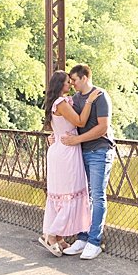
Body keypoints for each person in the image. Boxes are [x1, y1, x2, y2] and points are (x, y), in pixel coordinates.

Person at [58, 63, 115, 260]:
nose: (71, 83)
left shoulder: (100, 96)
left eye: (74, 80)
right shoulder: (75, 99)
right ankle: (82, 238)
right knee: (84, 196)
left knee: (97, 196)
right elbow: (69, 121)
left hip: (99, 150)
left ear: (84, 78)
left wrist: (77, 140)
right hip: (81, 152)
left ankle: (94, 241)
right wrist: (54, 136)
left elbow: (103, 128)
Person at [38, 69, 94, 256]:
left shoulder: (57, 102)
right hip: (67, 152)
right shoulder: (61, 102)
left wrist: (56, 134)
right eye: (67, 82)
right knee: (69, 194)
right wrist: (90, 102)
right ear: (60, 85)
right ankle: (52, 235)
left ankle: (59, 237)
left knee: (60, 195)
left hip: (59, 150)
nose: (70, 84)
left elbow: (57, 126)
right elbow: (79, 121)